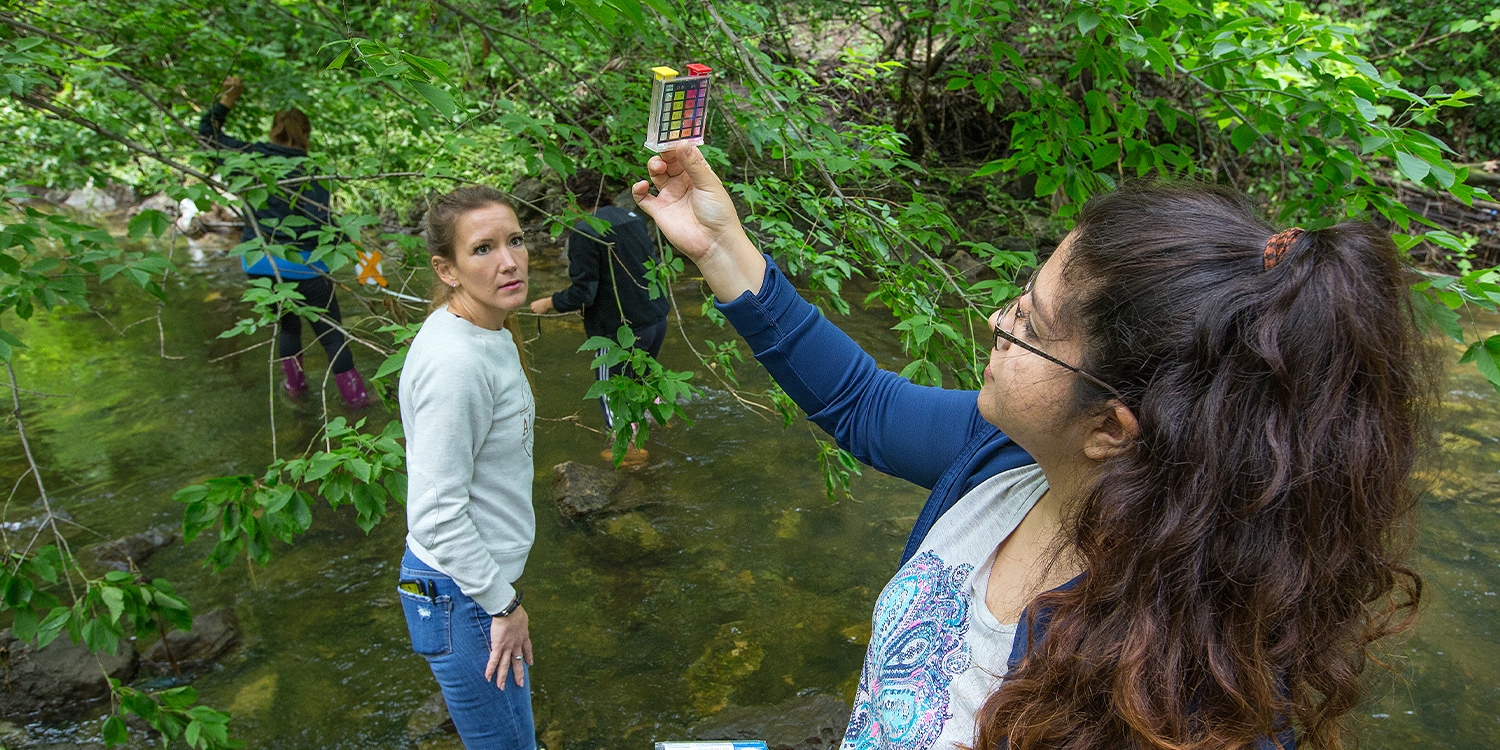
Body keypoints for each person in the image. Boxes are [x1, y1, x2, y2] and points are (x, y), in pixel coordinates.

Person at [634, 146, 1431, 750]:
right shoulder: (1008, 461)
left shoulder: (1193, 686)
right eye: (1024, 293)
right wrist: (718, 246)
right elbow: (861, 404)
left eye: (1033, 327)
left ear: (1110, 429)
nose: (996, 324)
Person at [399, 186, 537, 749]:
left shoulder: (483, 329)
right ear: (446, 269)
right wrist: (503, 603)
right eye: (482, 249)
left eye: (516, 241)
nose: (509, 261)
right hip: (466, 597)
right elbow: (435, 515)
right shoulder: (455, 363)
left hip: (472, 591)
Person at [198, 75, 371, 408]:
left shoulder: (251, 157)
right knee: (332, 334)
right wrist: (358, 254)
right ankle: (357, 400)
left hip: (261, 264)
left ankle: (296, 392)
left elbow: (206, 138)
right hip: (307, 267)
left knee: (288, 328)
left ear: (272, 131)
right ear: (305, 135)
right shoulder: (314, 170)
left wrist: (227, 100)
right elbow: (323, 222)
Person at [529, 169, 670, 433]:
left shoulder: (584, 231)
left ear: (574, 200)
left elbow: (584, 292)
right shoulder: (631, 218)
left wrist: (549, 302)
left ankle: (628, 453)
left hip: (619, 332)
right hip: (656, 319)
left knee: (613, 395)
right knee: (642, 380)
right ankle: (660, 424)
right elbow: (647, 269)